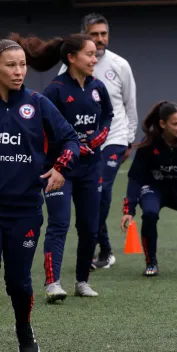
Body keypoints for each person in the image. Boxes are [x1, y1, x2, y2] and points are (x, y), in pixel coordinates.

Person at [11, 33, 114, 303]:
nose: (94, 59)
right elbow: (45, 129)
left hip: (91, 168)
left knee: (90, 227)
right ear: (71, 58)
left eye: (95, 54)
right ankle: (53, 283)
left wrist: (99, 137)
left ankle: (82, 281)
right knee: (59, 223)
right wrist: (71, 146)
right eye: (89, 54)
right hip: (60, 169)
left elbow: (107, 116)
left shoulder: (98, 87)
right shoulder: (55, 90)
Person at [0, 38, 79, 352]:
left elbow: (70, 139)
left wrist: (60, 167)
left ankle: (24, 334)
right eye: (10, 65)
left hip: (25, 210)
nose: (19, 71)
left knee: (18, 282)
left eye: (22, 64)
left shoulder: (37, 102)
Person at [59, 13, 138, 269]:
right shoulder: (67, 69)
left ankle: (97, 246)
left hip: (113, 138)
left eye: (104, 34)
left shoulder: (120, 64)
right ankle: (103, 247)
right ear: (84, 35)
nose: (101, 39)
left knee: (101, 194)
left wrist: (128, 139)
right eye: (95, 35)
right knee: (92, 195)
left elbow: (129, 103)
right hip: (82, 144)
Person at [120, 101, 177, 277]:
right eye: (176, 124)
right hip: (154, 189)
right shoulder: (149, 144)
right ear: (163, 124)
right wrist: (128, 209)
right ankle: (151, 263)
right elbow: (135, 178)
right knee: (149, 213)